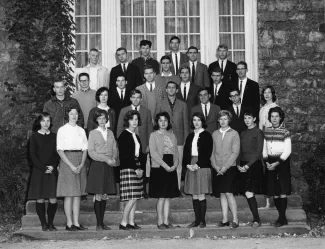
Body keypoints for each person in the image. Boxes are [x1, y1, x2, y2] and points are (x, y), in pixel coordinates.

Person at [86, 109, 119, 231]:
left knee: (105, 194)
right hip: (98, 165)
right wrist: (105, 159)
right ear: (96, 120)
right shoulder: (93, 133)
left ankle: (102, 222)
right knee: (98, 194)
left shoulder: (110, 132)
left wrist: (114, 158)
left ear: (107, 120)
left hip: (108, 166)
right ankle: (98, 223)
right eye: (99, 118)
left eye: (104, 118)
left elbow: (115, 147)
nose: (102, 120)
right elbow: (91, 152)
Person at [56, 105, 88, 231]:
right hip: (67, 161)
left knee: (78, 194)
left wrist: (81, 164)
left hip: (80, 160)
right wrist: (71, 165)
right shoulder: (62, 130)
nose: (74, 116)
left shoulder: (81, 130)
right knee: (69, 194)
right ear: (67, 115)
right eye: (71, 113)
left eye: (76, 113)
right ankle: (69, 223)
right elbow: (59, 149)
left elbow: (85, 148)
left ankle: (76, 222)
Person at [117, 89, 153, 197]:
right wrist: (120, 142)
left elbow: (149, 129)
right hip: (128, 143)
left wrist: (149, 145)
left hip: (142, 143)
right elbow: (119, 127)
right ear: (130, 98)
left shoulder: (147, 111)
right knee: (130, 164)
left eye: (138, 97)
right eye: (134, 97)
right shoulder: (124, 110)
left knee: (143, 166)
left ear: (141, 99)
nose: (136, 99)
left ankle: (143, 190)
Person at [27, 112, 59, 231]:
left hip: (51, 171)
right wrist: (43, 168)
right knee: (40, 198)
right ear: (39, 122)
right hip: (39, 170)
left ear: (50, 122)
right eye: (43, 121)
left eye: (48, 121)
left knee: (53, 198)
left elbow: (57, 154)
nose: (46, 123)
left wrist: (53, 166)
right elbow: (32, 155)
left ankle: (50, 223)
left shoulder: (54, 136)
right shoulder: (34, 136)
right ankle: (44, 224)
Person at [149, 112, 180, 229]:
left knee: (168, 196)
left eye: (165, 120)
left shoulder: (172, 135)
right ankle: (160, 222)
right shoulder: (153, 135)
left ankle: (167, 222)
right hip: (159, 167)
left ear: (168, 122)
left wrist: (175, 165)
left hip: (171, 166)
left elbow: (176, 152)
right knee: (161, 196)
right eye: (160, 120)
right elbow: (153, 154)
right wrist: (165, 166)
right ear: (157, 122)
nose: (163, 122)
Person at [183, 113, 213, 228]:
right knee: (194, 195)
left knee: (201, 194)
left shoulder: (206, 135)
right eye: (194, 120)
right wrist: (187, 165)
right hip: (191, 165)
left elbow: (208, 152)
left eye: (199, 120)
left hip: (202, 166)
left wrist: (198, 164)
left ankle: (202, 221)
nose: (196, 122)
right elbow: (186, 152)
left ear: (202, 122)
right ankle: (196, 220)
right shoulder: (190, 136)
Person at [263, 106, 292, 227]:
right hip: (270, 162)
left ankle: (281, 218)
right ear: (269, 118)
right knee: (274, 190)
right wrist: (267, 162)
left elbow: (288, 150)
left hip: (282, 162)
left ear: (280, 118)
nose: (274, 119)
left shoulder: (285, 132)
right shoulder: (267, 131)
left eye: (276, 116)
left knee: (282, 190)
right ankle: (282, 218)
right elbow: (264, 149)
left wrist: (277, 163)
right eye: (272, 116)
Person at [211, 110, 240, 228]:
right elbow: (211, 152)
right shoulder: (214, 134)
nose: (223, 121)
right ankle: (224, 219)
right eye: (221, 119)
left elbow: (235, 153)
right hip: (217, 168)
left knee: (229, 193)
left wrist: (225, 167)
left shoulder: (234, 134)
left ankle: (235, 219)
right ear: (218, 120)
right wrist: (215, 166)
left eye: (225, 119)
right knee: (222, 193)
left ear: (229, 120)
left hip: (229, 168)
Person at [158, 81, 189, 190]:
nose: (171, 89)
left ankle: (177, 188)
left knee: (178, 164)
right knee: (165, 163)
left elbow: (186, 123)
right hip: (165, 138)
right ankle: (167, 188)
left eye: (173, 88)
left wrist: (185, 140)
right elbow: (157, 121)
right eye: (169, 87)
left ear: (177, 90)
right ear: (166, 90)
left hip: (179, 139)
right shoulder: (161, 103)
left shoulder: (183, 104)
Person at [118, 110, 145, 230]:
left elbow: (140, 155)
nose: (134, 122)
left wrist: (141, 168)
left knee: (135, 197)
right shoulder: (124, 135)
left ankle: (131, 222)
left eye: (136, 119)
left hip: (136, 166)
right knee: (132, 197)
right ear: (127, 121)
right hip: (128, 168)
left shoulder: (136, 136)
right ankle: (123, 222)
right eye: (132, 119)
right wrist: (136, 168)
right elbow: (125, 155)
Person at [237, 110, 264, 228]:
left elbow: (259, 152)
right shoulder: (242, 133)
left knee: (249, 192)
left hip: (253, 165)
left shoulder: (258, 132)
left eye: (249, 117)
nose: (247, 120)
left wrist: (248, 165)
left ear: (254, 119)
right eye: (245, 118)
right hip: (243, 165)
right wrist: (238, 164)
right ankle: (256, 219)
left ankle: (257, 219)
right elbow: (240, 150)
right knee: (246, 192)